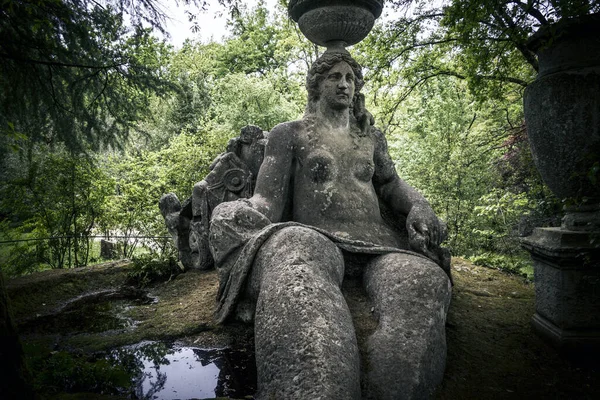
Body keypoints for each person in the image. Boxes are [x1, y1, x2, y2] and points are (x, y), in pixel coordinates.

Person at [209, 49, 452, 400]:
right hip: (314, 235)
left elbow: (392, 185)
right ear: (316, 85)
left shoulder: (370, 138)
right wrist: (237, 212)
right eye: (334, 77)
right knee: (298, 278)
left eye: (350, 79)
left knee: (423, 282)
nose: (344, 84)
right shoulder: (288, 133)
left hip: (378, 244)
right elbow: (266, 200)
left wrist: (420, 205)